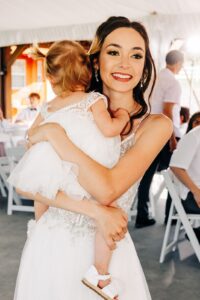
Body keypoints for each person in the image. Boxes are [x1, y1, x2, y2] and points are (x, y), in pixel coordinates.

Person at [14, 16, 172, 300]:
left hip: (105, 258)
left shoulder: (156, 125)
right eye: (114, 52)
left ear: (144, 65)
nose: (125, 64)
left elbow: (107, 189)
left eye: (136, 55)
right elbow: (25, 184)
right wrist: (97, 212)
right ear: (96, 61)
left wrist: (54, 135)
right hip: (51, 246)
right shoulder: (71, 108)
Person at [8, 39, 130, 299]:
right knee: (108, 211)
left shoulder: (48, 107)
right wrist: (122, 117)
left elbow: (31, 136)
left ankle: (39, 226)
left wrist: (52, 135)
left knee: (46, 189)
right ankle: (101, 272)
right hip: (87, 170)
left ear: (51, 79)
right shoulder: (93, 100)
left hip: (57, 172)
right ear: (88, 73)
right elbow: (109, 129)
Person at [135, 50, 184, 228]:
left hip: (149, 131)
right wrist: (172, 138)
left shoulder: (154, 80)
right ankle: (172, 216)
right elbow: (167, 111)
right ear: (179, 63)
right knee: (177, 173)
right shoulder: (173, 83)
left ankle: (142, 215)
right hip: (165, 133)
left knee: (146, 176)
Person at [170, 112, 200, 240]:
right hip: (192, 196)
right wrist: (196, 191)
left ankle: (197, 233)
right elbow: (176, 166)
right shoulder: (194, 136)